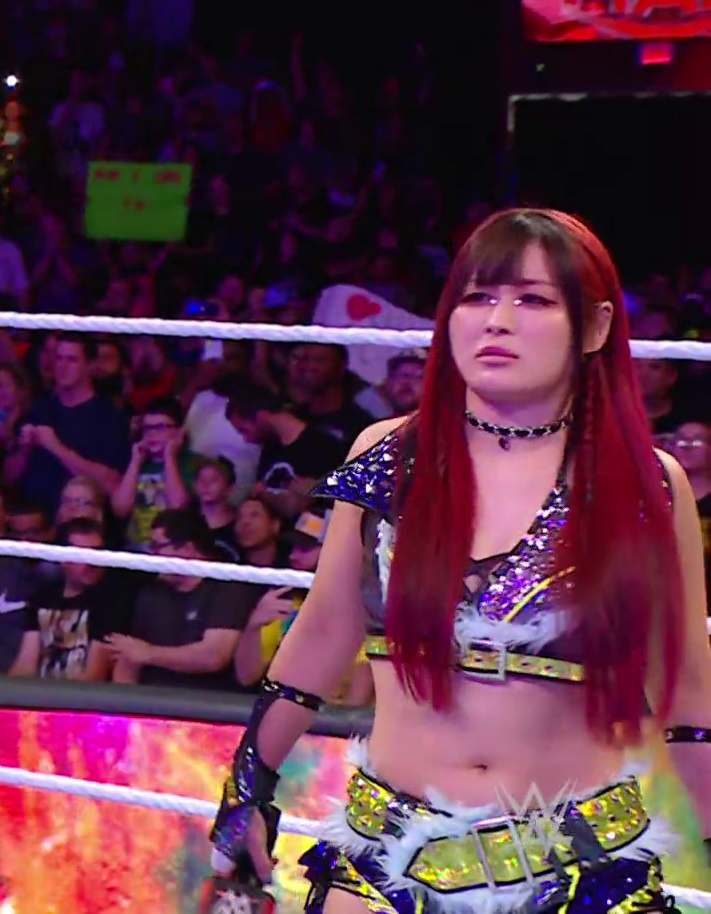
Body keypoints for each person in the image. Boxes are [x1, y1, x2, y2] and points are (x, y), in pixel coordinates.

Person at [207, 209, 711, 913]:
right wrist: (246, 788)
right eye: (477, 297)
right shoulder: (388, 454)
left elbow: (686, 691)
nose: (496, 321)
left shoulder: (647, 482)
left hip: (579, 869)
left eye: (532, 300)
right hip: (382, 859)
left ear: (595, 327)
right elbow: (322, 631)